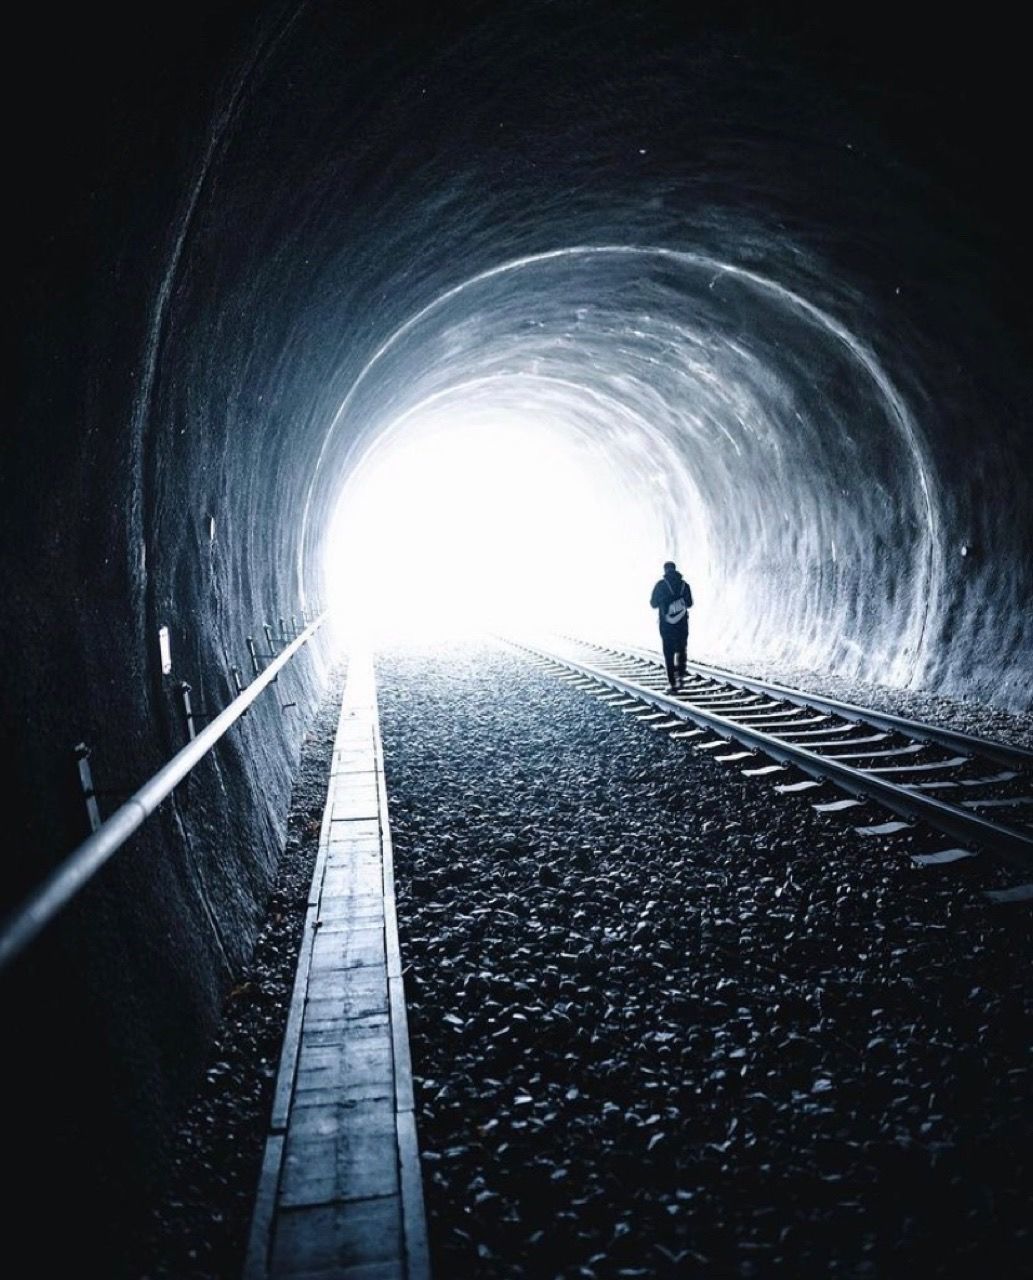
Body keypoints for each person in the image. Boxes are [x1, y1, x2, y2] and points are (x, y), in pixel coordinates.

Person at [650, 560, 693, 692]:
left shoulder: (661, 585)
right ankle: (680, 677)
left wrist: (664, 602)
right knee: (681, 649)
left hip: (666, 624)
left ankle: (672, 682)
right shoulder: (684, 585)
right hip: (682, 623)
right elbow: (690, 603)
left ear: (665, 570)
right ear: (675, 570)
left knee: (668, 652)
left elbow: (653, 604)